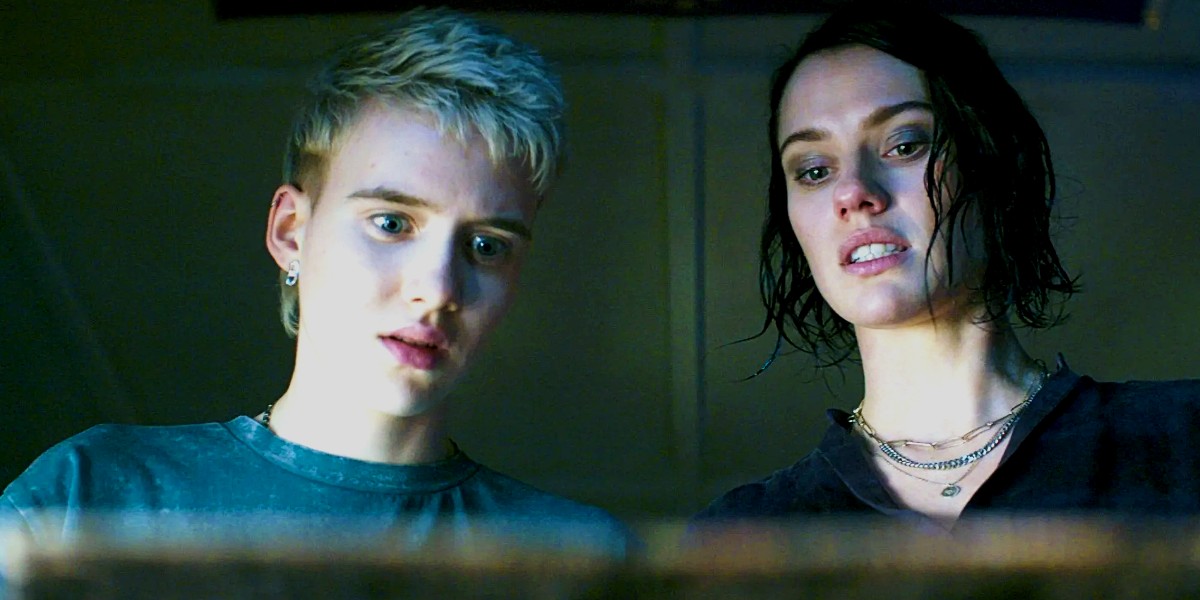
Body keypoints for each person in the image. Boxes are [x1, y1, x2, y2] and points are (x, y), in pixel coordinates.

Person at [1, 8, 629, 558]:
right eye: (391, 223)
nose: (438, 289)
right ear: (290, 232)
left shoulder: (580, 561)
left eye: (486, 247)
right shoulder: (90, 498)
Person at [692, 4, 1200, 532]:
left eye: (904, 145)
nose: (853, 193)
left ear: (995, 164)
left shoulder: (1183, 439)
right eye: (814, 170)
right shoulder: (742, 531)